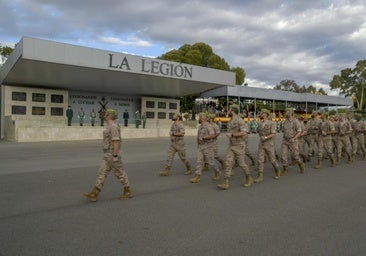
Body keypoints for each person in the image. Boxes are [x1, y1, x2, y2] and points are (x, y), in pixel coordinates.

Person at [84, 109, 132, 202]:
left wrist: (115, 156)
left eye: (106, 113)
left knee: (120, 173)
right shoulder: (109, 126)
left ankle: (127, 191)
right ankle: (95, 193)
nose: (104, 115)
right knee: (101, 173)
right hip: (107, 154)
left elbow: (116, 141)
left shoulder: (113, 126)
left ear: (109, 115)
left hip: (112, 153)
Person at [217, 105, 253, 190]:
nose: (227, 111)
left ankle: (249, 178)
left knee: (241, 163)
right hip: (232, 145)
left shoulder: (240, 120)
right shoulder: (230, 121)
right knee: (228, 162)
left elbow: (244, 132)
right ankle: (226, 182)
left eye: (229, 110)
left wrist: (233, 134)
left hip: (239, 145)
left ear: (232, 111)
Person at [189, 113, 221, 183]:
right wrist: (198, 144)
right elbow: (198, 136)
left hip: (208, 147)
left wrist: (204, 137)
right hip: (201, 146)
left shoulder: (208, 126)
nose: (198, 118)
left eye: (199, 117)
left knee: (211, 162)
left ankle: (217, 172)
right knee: (199, 161)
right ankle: (197, 176)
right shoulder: (200, 126)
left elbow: (212, 135)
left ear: (202, 118)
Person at [253, 109, 281, 183]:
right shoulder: (260, 123)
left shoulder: (272, 123)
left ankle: (277, 170)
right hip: (262, 144)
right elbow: (259, 132)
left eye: (262, 113)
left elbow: (273, 133)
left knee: (272, 160)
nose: (260, 114)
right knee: (260, 160)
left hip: (269, 144)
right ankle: (260, 176)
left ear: (265, 114)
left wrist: (265, 137)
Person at [280, 108, 305, 175]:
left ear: (290, 113)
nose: (284, 113)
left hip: (293, 141)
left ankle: (301, 164)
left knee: (295, 156)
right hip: (285, 141)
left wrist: (294, 138)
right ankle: (285, 170)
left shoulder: (295, 121)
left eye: (286, 112)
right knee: (283, 155)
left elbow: (299, 132)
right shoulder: (285, 121)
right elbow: (284, 131)